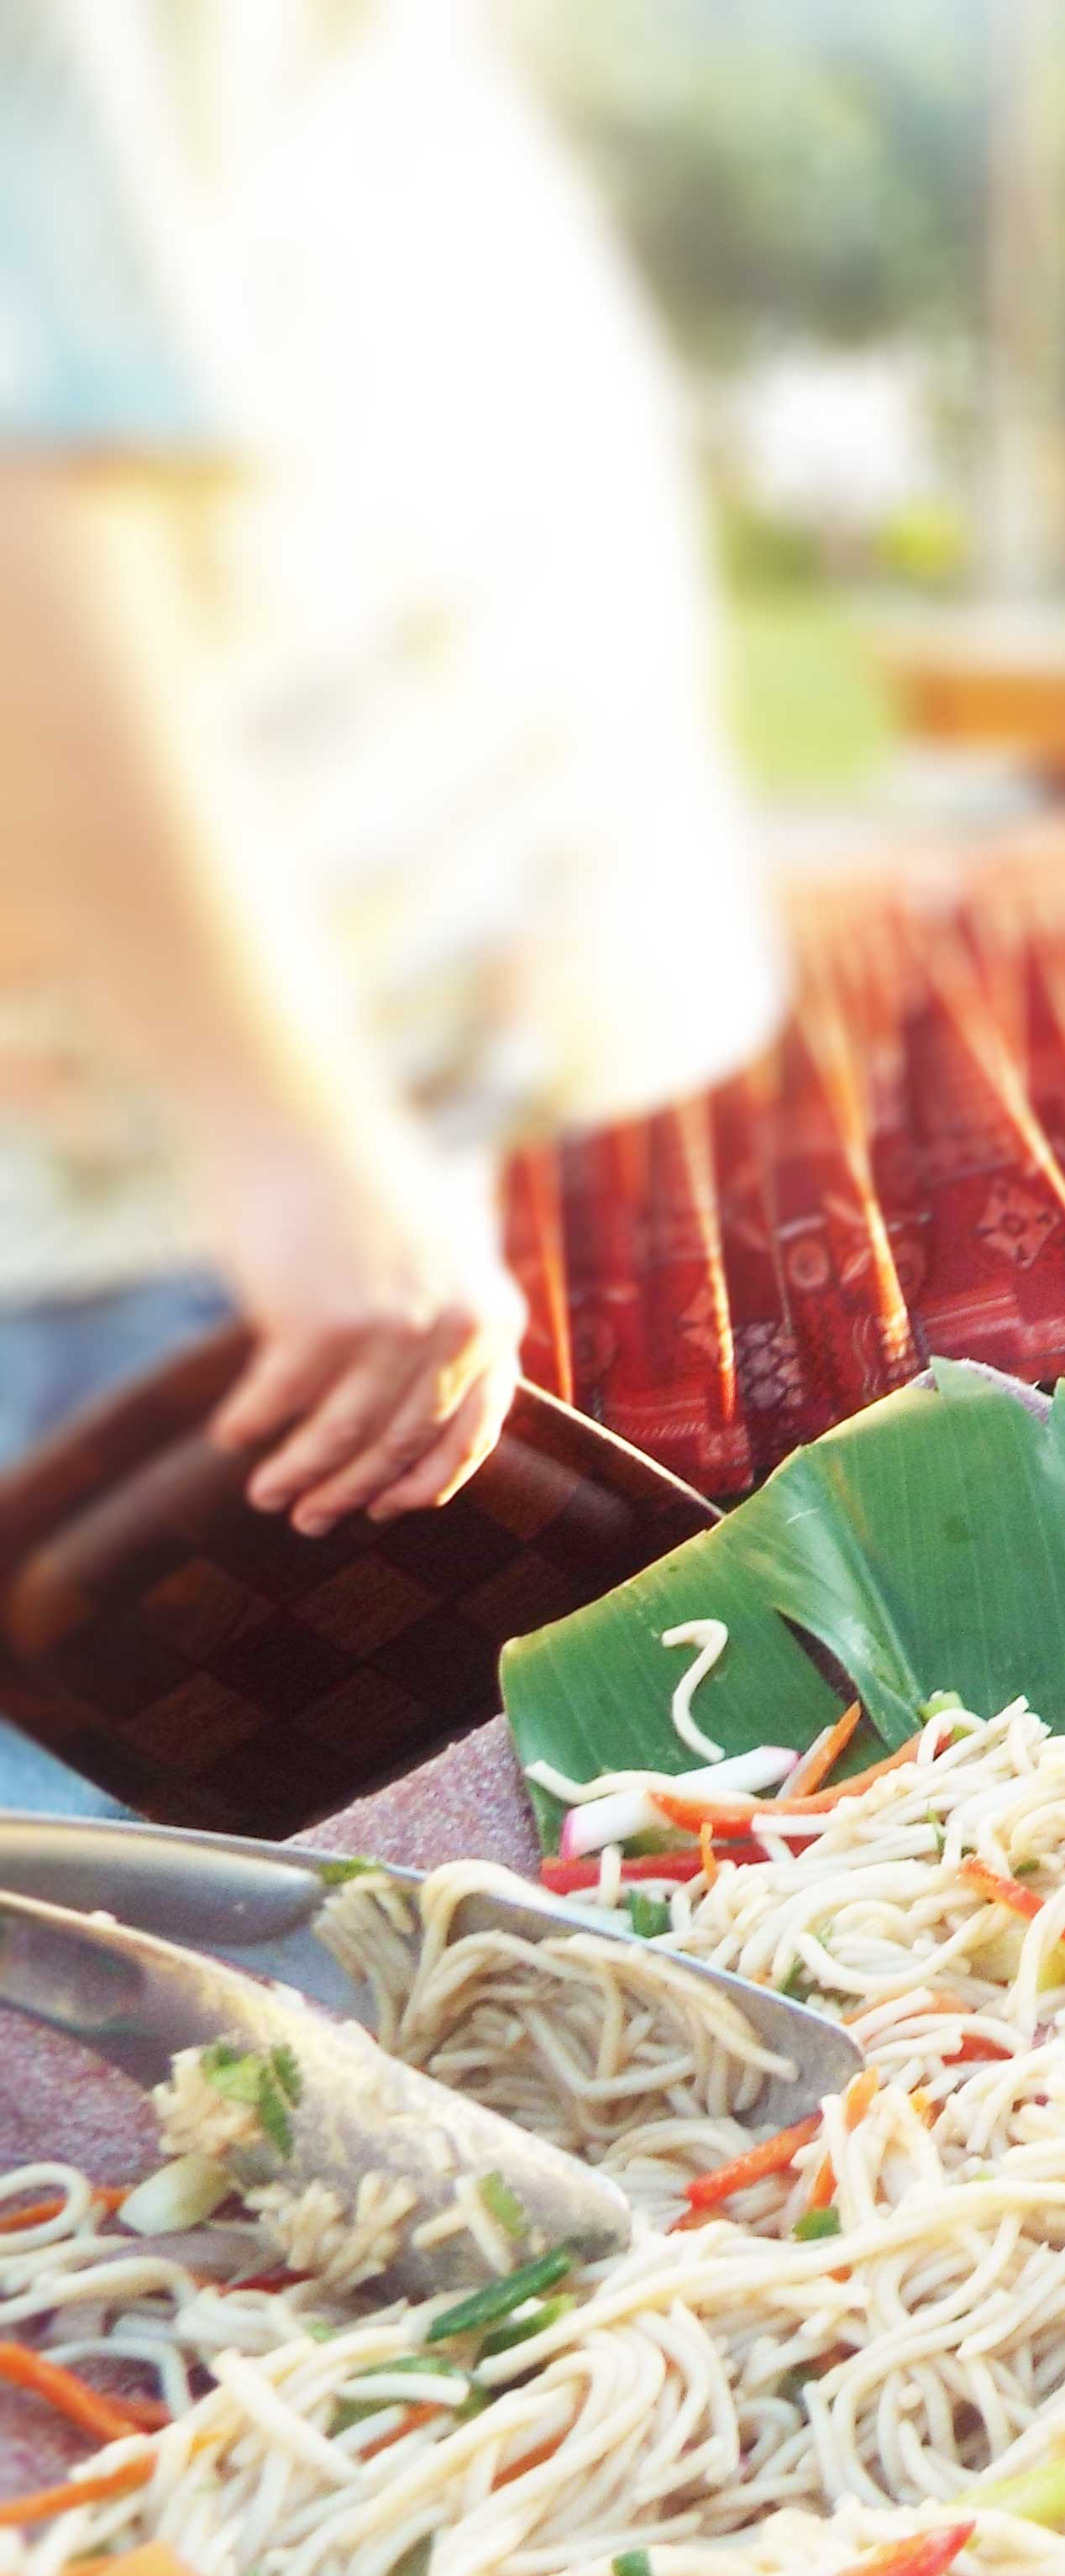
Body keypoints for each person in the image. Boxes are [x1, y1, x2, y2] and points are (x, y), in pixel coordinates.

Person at [0, 0, 786, 1810]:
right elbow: (32, 515)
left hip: (250, 1153)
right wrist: (282, 1131)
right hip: (149, 1205)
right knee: (193, 1948)